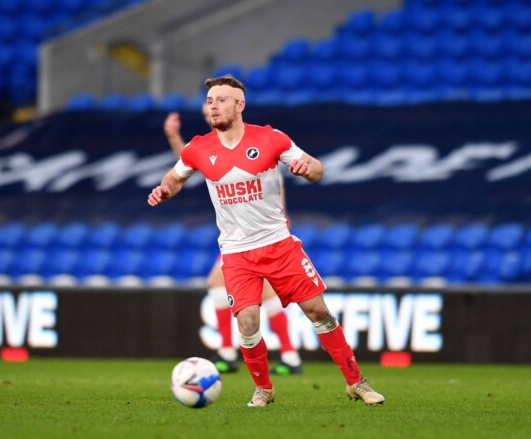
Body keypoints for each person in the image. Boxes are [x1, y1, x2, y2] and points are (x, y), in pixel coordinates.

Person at [149, 75, 384, 407]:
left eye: (221, 100)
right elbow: (174, 178)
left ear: (240, 105)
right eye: (210, 101)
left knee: (317, 310)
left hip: (278, 244)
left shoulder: (271, 138)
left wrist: (307, 169)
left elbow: (317, 168)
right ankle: (263, 389)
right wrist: (165, 190)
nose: (213, 106)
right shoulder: (198, 148)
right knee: (247, 321)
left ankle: (356, 382)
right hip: (236, 252)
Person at [164, 110, 303, 375]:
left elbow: (271, 185)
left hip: (258, 233)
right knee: (259, 292)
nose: (210, 117)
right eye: (206, 113)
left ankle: (231, 352)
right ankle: (286, 356)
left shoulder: (251, 144)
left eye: (213, 111)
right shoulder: (215, 148)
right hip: (242, 235)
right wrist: (174, 137)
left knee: (224, 283)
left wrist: (281, 221)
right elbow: (188, 162)